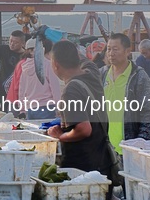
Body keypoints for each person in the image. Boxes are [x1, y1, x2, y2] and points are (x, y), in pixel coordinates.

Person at [47, 41, 113, 178]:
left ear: (55, 65)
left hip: (82, 168)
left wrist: (60, 136)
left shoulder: (70, 91)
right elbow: (81, 57)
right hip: (101, 160)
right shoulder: (92, 72)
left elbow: (84, 129)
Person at [100, 33, 150, 152]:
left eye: (115, 49)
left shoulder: (139, 76)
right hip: (104, 148)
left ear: (127, 51)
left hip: (128, 145)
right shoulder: (102, 74)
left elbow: (146, 111)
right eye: (108, 49)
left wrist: (141, 141)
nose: (111, 53)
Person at [7, 38, 61, 119]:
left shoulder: (24, 67)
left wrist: (22, 110)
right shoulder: (47, 65)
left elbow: (21, 90)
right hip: (47, 107)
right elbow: (55, 88)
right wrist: (59, 108)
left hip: (30, 109)